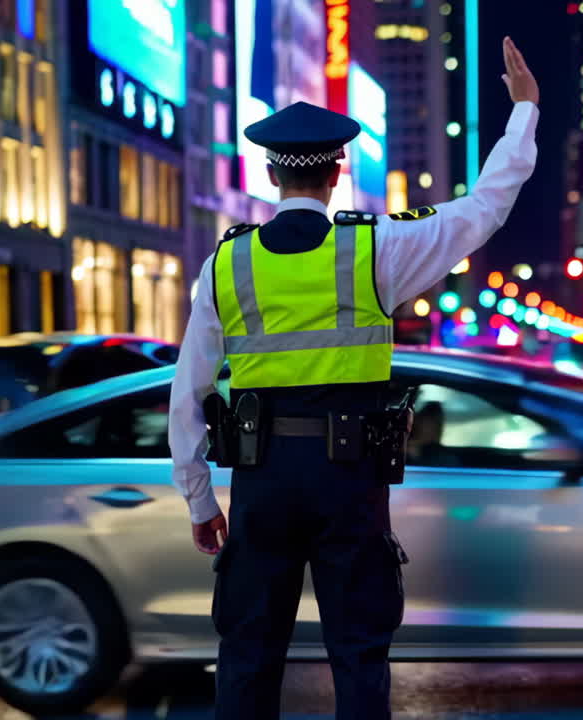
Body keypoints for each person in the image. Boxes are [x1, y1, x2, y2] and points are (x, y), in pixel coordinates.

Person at [167, 37, 539, 720]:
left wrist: (199, 500)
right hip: (351, 481)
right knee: (360, 656)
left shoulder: (227, 264)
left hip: (262, 481)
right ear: (339, 170)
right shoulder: (378, 248)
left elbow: (187, 392)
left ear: (270, 172)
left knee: (247, 656)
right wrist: (523, 113)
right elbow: (485, 207)